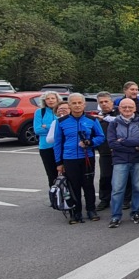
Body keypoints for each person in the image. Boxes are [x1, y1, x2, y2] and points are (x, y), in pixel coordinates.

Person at [54, 93, 106, 224]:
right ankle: (75, 212)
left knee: (88, 185)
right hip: (69, 158)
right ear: (69, 105)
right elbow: (57, 143)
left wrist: (89, 142)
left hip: (87, 157)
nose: (77, 106)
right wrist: (59, 162)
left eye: (79, 103)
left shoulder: (92, 120)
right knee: (73, 186)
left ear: (84, 104)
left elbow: (101, 137)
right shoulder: (61, 122)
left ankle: (91, 210)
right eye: (74, 103)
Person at [107, 98, 139, 228]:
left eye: (130, 107)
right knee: (117, 189)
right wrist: (134, 145)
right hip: (120, 160)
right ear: (119, 108)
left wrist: (123, 141)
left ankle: (136, 212)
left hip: (138, 160)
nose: (127, 109)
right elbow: (112, 143)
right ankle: (115, 216)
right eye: (124, 107)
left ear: (135, 108)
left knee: (137, 188)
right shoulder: (113, 124)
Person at [93, 92, 124, 211]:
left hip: (120, 151)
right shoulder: (97, 117)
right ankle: (104, 199)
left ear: (112, 102)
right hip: (105, 151)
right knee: (105, 176)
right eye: (101, 102)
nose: (104, 104)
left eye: (106, 101)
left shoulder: (120, 113)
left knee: (123, 176)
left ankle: (125, 199)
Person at [34, 91, 62, 188]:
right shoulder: (40, 112)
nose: (50, 100)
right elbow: (37, 130)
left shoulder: (62, 111)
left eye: (52, 98)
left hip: (61, 146)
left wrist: (48, 126)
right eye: (48, 99)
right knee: (51, 175)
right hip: (46, 147)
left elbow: (64, 128)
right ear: (44, 101)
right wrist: (56, 128)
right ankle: (54, 198)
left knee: (65, 173)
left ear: (57, 100)